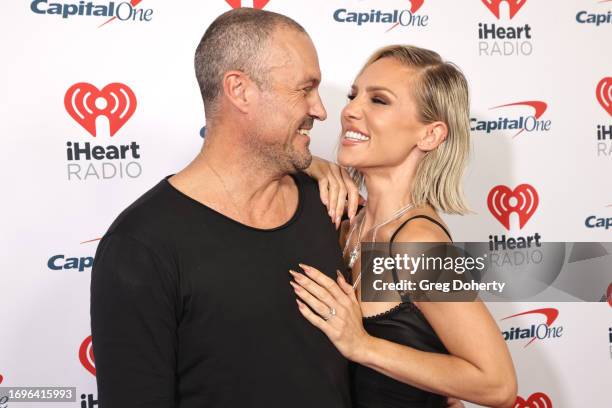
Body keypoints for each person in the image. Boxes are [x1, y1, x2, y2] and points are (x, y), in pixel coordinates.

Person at [90, 8, 358, 408]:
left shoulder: (334, 202)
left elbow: (462, 285)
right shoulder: (140, 246)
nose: (321, 110)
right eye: (305, 89)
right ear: (240, 90)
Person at [290, 45, 518, 408]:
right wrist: (314, 166)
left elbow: (497, 385)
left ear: (430, 135)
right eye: (354, 95)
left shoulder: (417, 244)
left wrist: (362, 345)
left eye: (378, 100)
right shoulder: (352, 222)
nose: (350, 110)